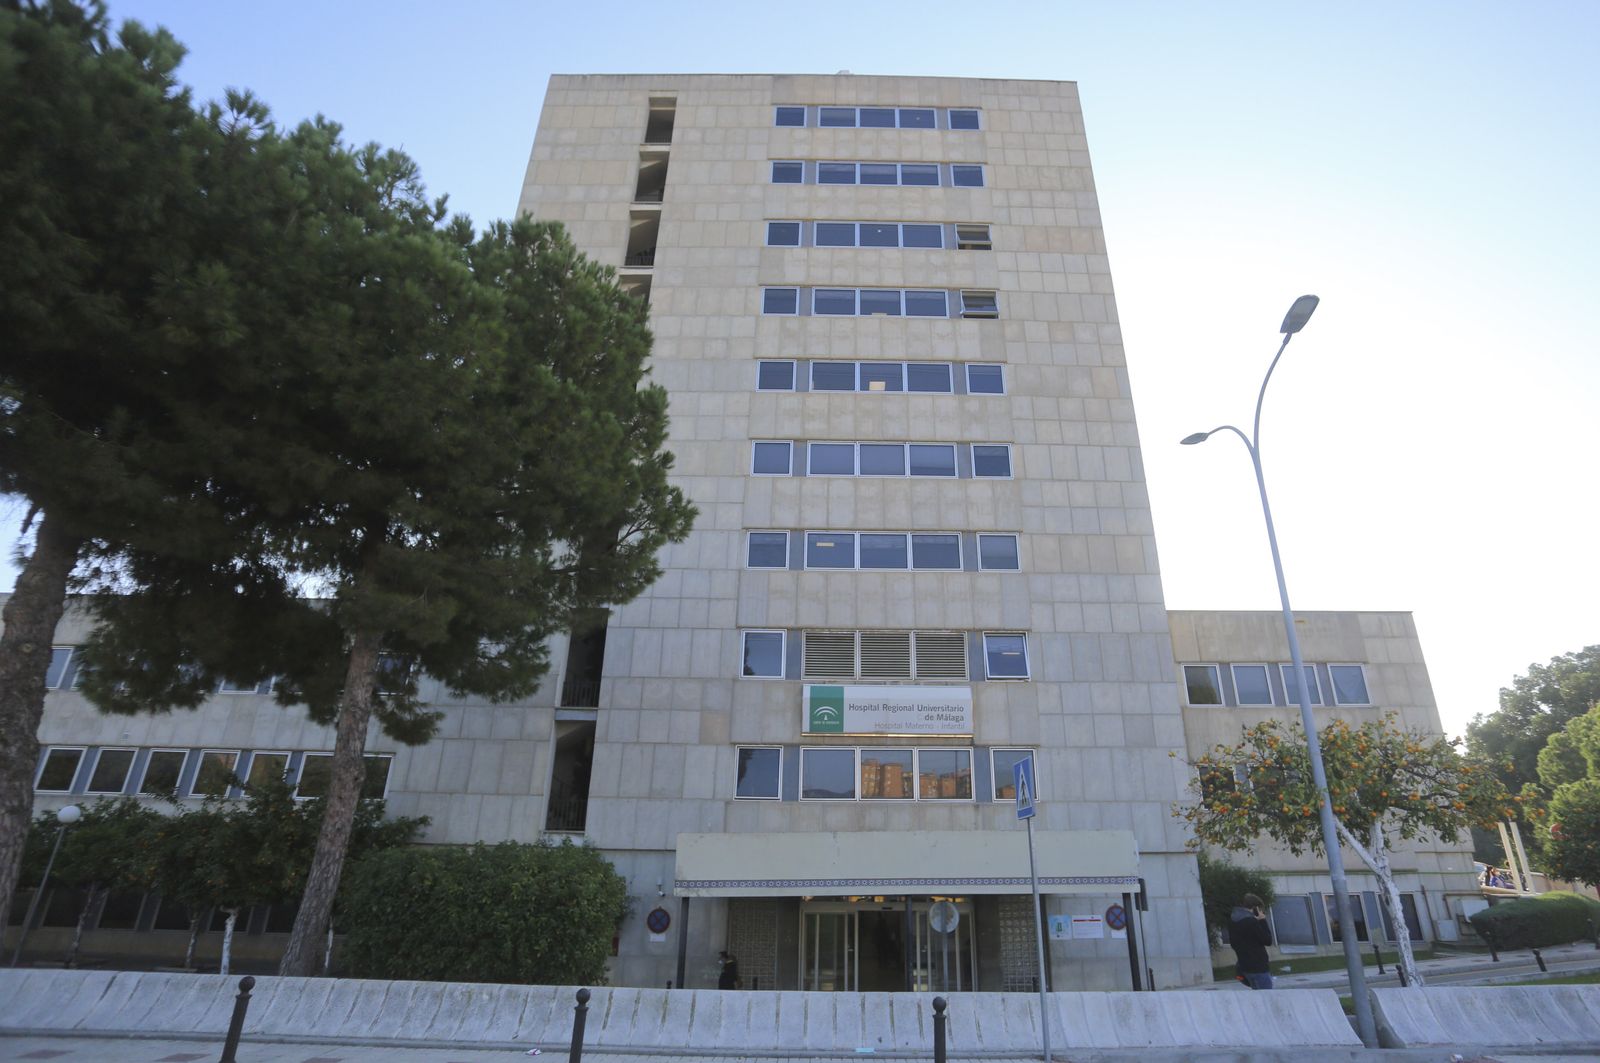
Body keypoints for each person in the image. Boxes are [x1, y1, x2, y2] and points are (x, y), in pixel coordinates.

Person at [1229, 893, 1274, 989]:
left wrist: (1254, 920)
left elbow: (1234, 943)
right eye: (1259, 909)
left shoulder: (1234, 921)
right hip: (1258, 968)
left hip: (1245, 967)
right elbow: (1268, 940)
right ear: (1255, 908)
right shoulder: (1251, 922)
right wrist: (1262, 921)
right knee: (1266, 997)